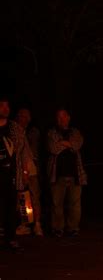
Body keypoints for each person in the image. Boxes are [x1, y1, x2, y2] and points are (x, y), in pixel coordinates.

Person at [0, 97, 36, 251]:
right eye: (2, 106)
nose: (5, 109)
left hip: (11, 174)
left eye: (7, 106)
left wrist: (25, 170)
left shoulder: (14, 128)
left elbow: (22, 152)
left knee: (10, 206)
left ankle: (10, 238)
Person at [47, 108, 87, 237]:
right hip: (57, 174)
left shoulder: (75, 132)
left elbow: (78, 144)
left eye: (64, 116)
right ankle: (58, 228)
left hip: (75, 174)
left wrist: (64, 143)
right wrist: (70, 144)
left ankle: (73, 227)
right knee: (56, 203)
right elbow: (53, 148)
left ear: (68, 117)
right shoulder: (51, 132)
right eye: (59, 117)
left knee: (74, 204)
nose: (61, 119)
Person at [15, 108, 43, 236]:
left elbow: (30, 153)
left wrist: (27, 170)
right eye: (21, 116)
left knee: (34, 197)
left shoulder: (32, 132)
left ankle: (37, 224)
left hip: (30, 169)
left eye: (26, 116)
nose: (23, 118)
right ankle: (24, 223)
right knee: (22, 197)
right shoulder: (14, 131)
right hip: (18, 169)